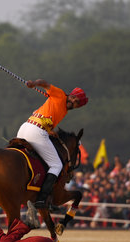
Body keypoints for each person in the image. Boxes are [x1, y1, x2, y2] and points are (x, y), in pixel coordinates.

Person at [17, 79, 88, 209]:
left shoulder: (62, 107)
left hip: (24, 128)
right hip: (35, 131)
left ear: (78, 106)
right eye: (73, 98)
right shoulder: (60, 94)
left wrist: (50, 131)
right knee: (56, 165)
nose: (73, 101)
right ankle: (42, 200)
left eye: (76, 102)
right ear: (70, 95)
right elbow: (45, 84)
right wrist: (34, 83)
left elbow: (44, 115)